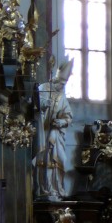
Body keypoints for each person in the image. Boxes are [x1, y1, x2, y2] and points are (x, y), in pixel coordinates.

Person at [33, 59, 74, 201]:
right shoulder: (44, 87)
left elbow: (68, 116)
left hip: (56, 134)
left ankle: (56, 189)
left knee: (59, 160)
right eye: (61, 83)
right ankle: (44, 189)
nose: (62, 87)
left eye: (64, 84)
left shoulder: (62, 96)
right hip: (43, 132)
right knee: (43, 161)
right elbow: (37, 103)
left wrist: (60, 121)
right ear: (55, 80)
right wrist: (45, 104)